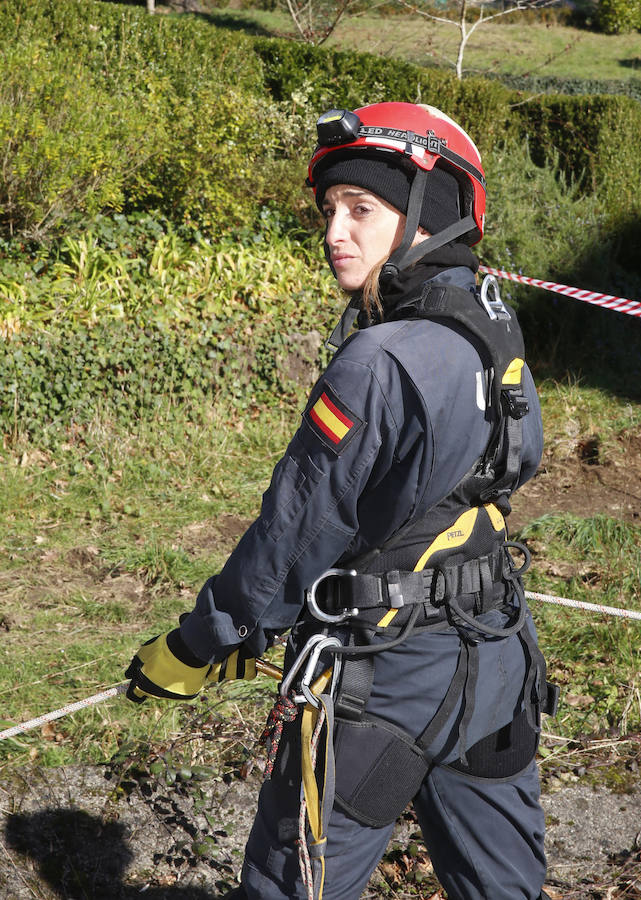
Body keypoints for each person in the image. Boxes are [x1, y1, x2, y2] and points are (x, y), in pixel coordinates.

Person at [125, 102, 556, 900]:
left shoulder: (378, 359)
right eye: (330, 211)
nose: (334, 232)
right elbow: (513, 463)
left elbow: (293, 535)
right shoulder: (495, 329)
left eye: (362, 210)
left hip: (376, 683)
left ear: (428, 217)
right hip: (495, 661)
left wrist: (200, 645)